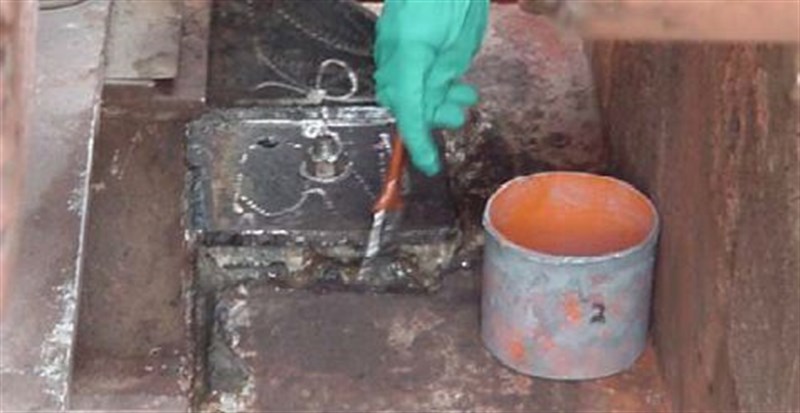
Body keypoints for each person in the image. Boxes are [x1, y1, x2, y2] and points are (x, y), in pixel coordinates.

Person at [374, 0, 490, 176]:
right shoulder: (418, 32)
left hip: (428, 27)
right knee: (441, 110)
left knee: (452, 107)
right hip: (420, 26)